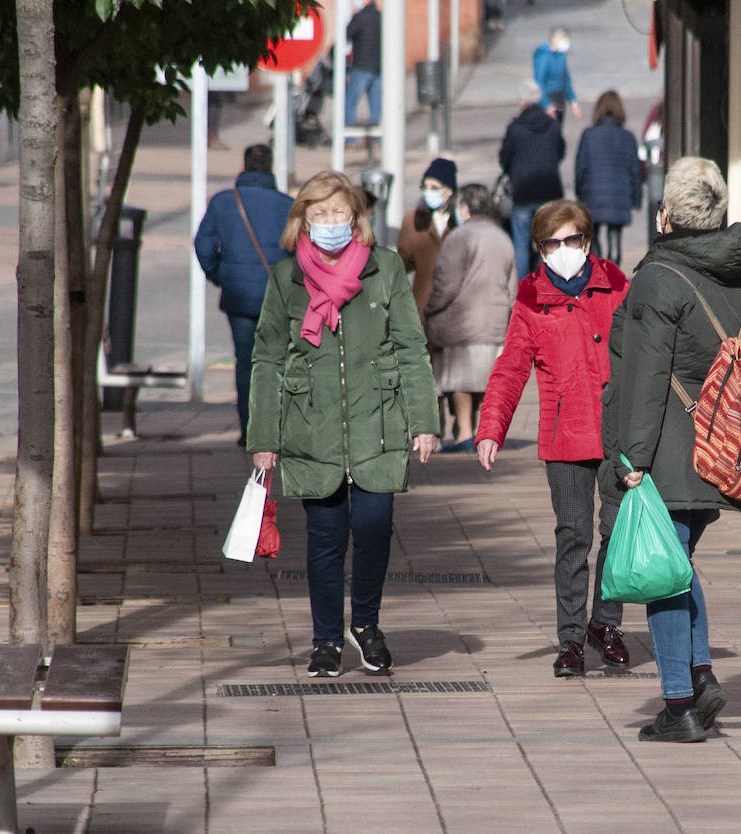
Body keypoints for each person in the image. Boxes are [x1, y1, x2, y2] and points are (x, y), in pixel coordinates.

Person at [599, 156, 741, 742]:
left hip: (668, 453)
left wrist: (630, 461)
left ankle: (680, 705)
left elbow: (645, 379)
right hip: (722, 448)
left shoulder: (658, 279)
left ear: (666, 216)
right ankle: (698, 675)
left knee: (662, 574)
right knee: (679, 561)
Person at [247, 170, 441, 677]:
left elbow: (411, 347)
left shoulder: (385, 269)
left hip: (378, 422)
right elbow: (266, 359)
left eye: (340, 213)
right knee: (326, 538)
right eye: (319, 214)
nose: (331, 223)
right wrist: (264, 438)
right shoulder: (286, 278)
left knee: (375, 529)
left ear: (357, 218)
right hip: (312, 426)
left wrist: (424, 421)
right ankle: (327, 639)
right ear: (302, 221)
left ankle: (367, 624)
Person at [476, 200, 630, 677]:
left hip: (617, 431)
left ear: (587, 240)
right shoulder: (531, 297)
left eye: (572, 240)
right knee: (574, 536)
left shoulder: (616, 285)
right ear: (540, 247)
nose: (564, 251)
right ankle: (570, 639)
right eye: (553, 243)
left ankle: (605, 624)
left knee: (617, 532)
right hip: (565, 436)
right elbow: (510, 367)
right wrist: (491, 429)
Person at [194, 143, 294, 446]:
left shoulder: (224, 202)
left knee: (246, 362)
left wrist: (219, 276)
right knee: (278, 360)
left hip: (238, 297)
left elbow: (203, 246)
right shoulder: (288, 205)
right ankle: (276, 428)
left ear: (243, 167)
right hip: (278, 297)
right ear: (272, 169)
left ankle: (249, 429)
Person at [425, 183, 517, 453]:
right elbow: (512, 285)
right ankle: (479, 432)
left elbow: (446, 282)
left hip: (461, 321)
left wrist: (431, 308)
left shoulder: (459, 237)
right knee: (484, 380)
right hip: (495, 321)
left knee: (460, 381)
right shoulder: (503, 238)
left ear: (464, 208)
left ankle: (465, 433)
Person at [499, 81, 565, 280]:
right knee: (550, 240)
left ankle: (523, 286)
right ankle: (552, 281)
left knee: (520, 241)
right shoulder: (552, 125)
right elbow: (560, 152)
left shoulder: (515, 127)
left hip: (523, 192)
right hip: (549, 192)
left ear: (521, 101)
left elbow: (504, 159)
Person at [575, 90, 642, 266]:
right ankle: (613, 279)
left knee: (593, 239)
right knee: (615, 239)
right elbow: (635, 171)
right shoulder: (627, 137)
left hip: (592, 195)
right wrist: (636, 200)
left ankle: (598, 275)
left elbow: (580, 169)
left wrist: (580, 195)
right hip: (618, 197)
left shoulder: (588, 135)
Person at [396, 157, 459, 326]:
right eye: (426, 187)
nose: (428, 192)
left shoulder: (460, 220)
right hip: (423, 308)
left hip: (455, 310)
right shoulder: (413, 219)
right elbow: (402, 264)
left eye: (435, 188)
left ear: (449, 190)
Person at [344, 0, 382, 127]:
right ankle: (377, 141)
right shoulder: (381, 18)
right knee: (376, 107)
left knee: (350, 102)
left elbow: (345, 35)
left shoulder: (360, 17)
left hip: (361, 68)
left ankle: (350, 140)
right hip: (378, 69)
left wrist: (331, 54)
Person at [532, 28, 580, 126]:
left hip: (560, 98)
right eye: (562, 38)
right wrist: (546, 104)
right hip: (549, 96)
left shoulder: (561, 55)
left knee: (558, 129)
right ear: (553, 39)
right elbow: (539, 81)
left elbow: (566, 79)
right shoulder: (543, 56)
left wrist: (573, 100)